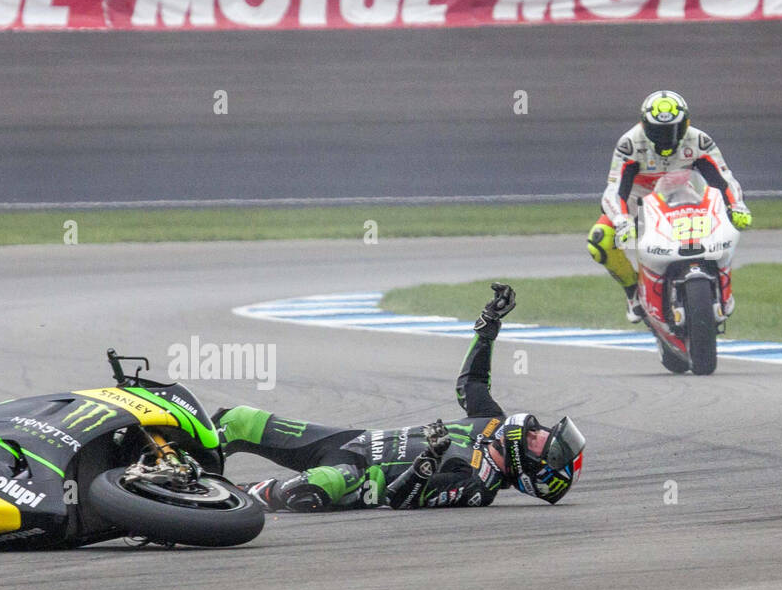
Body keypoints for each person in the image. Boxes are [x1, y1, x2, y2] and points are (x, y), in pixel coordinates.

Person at [214, 284, 585, 512]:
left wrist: (428, 460)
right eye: (542, 431)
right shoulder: (491, 423)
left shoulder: (477, 485)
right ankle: (171, 463)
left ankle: (221, 500)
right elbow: (470, 383)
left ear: (532, 468)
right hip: (351, 440)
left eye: (540, 441)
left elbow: (401, 499)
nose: (537, 429)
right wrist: (488, 327)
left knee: (317, 485)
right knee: (237, 419)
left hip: (357, 478)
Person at [587, 90, 752, 322]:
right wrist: (622, 220)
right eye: (657, 130)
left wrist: (737, 206)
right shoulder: (630, 144)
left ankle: (722, 289)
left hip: (683, 197)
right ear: (644, 125)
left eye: (672, 130)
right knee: (599, 241)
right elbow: (614, 191)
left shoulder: (700, 140)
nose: (665, 137)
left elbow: (724, 179)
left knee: (726, 220)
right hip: (639, 204)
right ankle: (633, 292)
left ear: (686, 123)